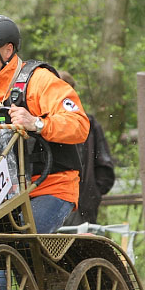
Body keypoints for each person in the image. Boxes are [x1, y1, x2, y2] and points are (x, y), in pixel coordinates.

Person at [0, 14, 89, 233]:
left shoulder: (40, 80)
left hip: (50, 187)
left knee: (19, 245)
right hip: (3, 193)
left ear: (8, 51)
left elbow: (79, 125)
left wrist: (37, 123)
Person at [57, 71, 115, 226]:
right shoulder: (40, 124)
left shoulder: (89, 124)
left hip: (82, 205)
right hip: (53, 201)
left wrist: (92, 193)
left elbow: (105, 167)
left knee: (81, 247)